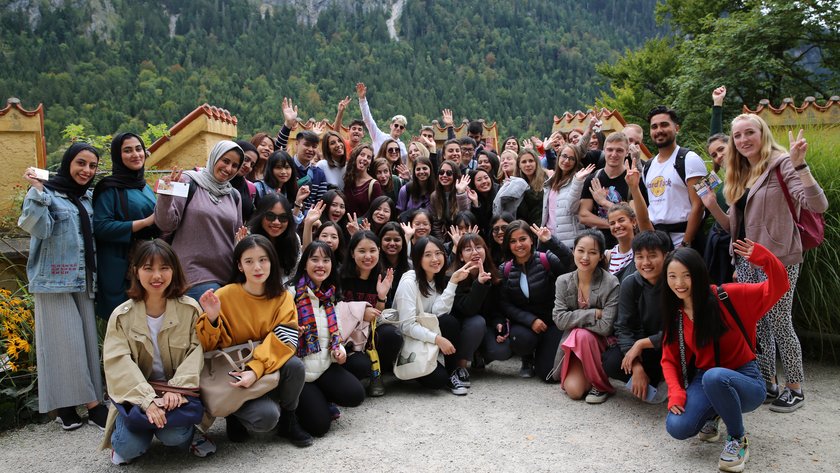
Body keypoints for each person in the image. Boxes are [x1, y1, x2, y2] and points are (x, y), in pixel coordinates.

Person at [698, 116, 828, 412]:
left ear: (763, 133)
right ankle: (768, 381)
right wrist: (712, 207)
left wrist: (800, 165)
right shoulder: (740, 170)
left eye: (750, 133)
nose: (744, 140)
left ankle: (795, 387)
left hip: (777, 259)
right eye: (738, 135)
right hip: (745, 260)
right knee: (757, 323)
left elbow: (818, 205)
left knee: (781, 322)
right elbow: (735, 226)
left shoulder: (782, 163)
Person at [661, 240, 789, 473]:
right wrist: (676, 391)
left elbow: (779, 286)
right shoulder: (676, 313)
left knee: (715, 377)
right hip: (706, 378)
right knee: (677, 427)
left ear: (698, 274)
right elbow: (669, 359)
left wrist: (764, 259)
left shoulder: (728, 296)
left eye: (686, 275)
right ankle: (718, 410)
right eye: (672, 276)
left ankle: (737, 439)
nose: (679, 283)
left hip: (745, 379)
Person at [19, 143, 108, 430]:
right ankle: (94, 406)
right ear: (68, 162)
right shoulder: (48, 193)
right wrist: (38, 192)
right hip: (53, 280)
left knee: (82, 343)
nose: (86, 170)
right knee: (65, 342)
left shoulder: (87, 198)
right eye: (81, 163)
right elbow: (37, 228)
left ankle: (66, 407)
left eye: (92, 166)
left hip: (83, 278)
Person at [195, 235, 311, 447]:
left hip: (263, 366)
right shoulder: (225, 295)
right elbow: (207, 347)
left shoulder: (283, 297)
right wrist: (211, 319)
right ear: (239, 265)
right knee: (265, 418)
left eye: (263, 260)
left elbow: (284, 339)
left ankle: (289, 419)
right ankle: (234, 413)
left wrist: (255, 369)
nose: (257, 267)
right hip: (232, 370)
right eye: (249, 261)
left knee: (295, 366)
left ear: (272, 262)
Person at [101, 239, 204, 464]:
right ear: (136, 272)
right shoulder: (121, 316)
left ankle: (185, 434)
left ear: (174, 270)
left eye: (164, 268)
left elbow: (197, 352)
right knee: (128, 447)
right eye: (149, 268)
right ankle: (137, 430)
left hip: (175, 396)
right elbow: (118, 362)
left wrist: (177, 389)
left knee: (175, 435)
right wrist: (147, 400)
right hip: (137, 397)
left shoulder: (190, 309)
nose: (157, 276)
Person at [291, 241, 368, 436]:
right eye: (314, 259)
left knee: (355, 394)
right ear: (304, 264)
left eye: (326, 260)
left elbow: (336, 337)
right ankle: (291, 411)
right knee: (319, 427)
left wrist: (339, 352)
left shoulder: (329, 296)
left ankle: (321, 397)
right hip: (300, 375)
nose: (320, 265)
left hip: (324, 366)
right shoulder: (292, 294)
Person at [154, 140, 244, 301]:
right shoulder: (188, 181)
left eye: (235, 165)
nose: (229, 168)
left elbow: (236, 236)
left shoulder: (234, 195)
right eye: (225, 161)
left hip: (226, 275)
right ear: (214, 157)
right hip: (192, 274)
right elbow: (165, 224)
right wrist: (166, 194)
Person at [392, 236, 474, 393]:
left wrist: (453, 283)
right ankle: (398, 366)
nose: (435, 259)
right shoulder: (410, 282)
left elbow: (439, 313)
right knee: (437, 380)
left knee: (449, 321)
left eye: (438, 253)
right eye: (427, 254)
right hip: (406, 340)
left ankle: (453, 373)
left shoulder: (437, 279)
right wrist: (438, 339)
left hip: (424, 334)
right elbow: (406, 326)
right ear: (417, 258)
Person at [93, 133, 159, 319]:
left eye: (138, 149)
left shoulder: (143, 186)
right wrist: (144, 223)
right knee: (123, 321)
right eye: (127, 150)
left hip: (144, 262)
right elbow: (101, 227)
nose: (135, 154)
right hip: (119, 266)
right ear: (117, 155)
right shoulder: (109, 188)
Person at [550, 230, 620, 403]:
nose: (585, 257)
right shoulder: (563, 281)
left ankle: (601, 385)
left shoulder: (610, 283)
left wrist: (573, 322)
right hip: (575, 344)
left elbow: (605, 327)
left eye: (593, 252)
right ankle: (588, 376)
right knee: (574, 391)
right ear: (573, 251)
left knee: (581, 335)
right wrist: (593, 313)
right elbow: (559, 320)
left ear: (601, 256)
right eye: (581, 250)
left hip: (602, 343)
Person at [495, 221, 572, 379]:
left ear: (531, 239)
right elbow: (504, 304)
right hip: (525, 325)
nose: (518, 245)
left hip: (551, 323)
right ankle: (527, 358)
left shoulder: (546, 259)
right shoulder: (505, 269)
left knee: (548, 375)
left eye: (522, 239)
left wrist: (551, 241)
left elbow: (571, 264)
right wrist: (530, 320)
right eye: (513, 241)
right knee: (522, 339)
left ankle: (543, 354)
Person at [602, 231, 672, 403]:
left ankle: (671, 380)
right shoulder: (630, 283)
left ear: (666, 255)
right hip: (645, 351)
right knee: (611, 361)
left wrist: (642, 344)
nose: (646, 263)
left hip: (671, 345)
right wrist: (635, 365)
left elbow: (681, 329)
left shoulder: (675, 283)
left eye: (653, 256)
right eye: (640, 257)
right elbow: (623, 326)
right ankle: (651, 382)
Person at [340, 231, 401, 396]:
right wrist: (360, 312)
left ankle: (377, 374)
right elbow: (333, 309)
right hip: (346, 338)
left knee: (392, 335)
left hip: (369, 336)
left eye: (372, 250)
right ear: (352, 253)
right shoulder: (340, 276)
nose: (368, 256)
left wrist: (381, 297)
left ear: (379, 251)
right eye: (362, 251)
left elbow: (378, 315)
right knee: (361, 366)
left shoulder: (382, 277)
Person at [643, 105, 707, 249]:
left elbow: (699, 205)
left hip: (687, 241)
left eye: (664, 125)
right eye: (654, 127)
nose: (659, 130)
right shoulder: (648, 167)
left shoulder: (689, 159)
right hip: (658, 243)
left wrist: (686, 243)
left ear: (676, 128)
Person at [449, 233, 495, 388]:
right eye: (468, 249)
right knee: (476, 322)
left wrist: (500, 322)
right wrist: (479, 285)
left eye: (478, 247)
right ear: (461, 256)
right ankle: (460, 367)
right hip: (461, 329)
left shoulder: (494, 273)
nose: (475, 252)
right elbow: (467, 310)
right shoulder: (453, 276)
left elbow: (499, 306)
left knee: (500, 350)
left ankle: (478, 353)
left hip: (486, 328)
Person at [541, 143, 594, 248]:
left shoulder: (578, 180)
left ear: (576, 162)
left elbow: (571, 208)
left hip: (569, 242)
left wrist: (578, 182)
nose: (566, 161)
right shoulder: (550, 182)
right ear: (558, 156)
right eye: (564, 156)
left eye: (572, 159)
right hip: (550, 239)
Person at [246, 193, 302, 282]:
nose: (276, 222)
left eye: (283, 217)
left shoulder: (294, 239)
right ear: (261, 215)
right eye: (270, 216)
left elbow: (292, 273)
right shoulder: (247, 237)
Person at [357, 82, 407, 160]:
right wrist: (362, 100)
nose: (398, 128)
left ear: (403, 130)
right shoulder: (379, 136)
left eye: (401, 127)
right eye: (396, 125)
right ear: (391, 125)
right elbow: (368, 119)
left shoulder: (402, 147)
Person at [430, 160, 470, 241]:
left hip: (463, 235)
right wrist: (442, 243)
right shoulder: (434, 196)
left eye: (449, 173)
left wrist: (460, 193)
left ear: (455, 176)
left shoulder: (464, 192)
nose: (444, 175)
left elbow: (465, 217)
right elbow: (436, 224)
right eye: (441, 172)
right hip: (445, 238)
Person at [343, 144, 383, 217]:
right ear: (355, 157)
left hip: (362, 227)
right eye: (362, 155)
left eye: (368, 157)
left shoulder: (374, 185)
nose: (365, 158)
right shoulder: (348, 178)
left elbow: (375, 212)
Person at [378, 222, 411, 305]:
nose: (392, 243)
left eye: (396, 240)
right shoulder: (373, 266)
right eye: (387, 239)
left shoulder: (411, 267)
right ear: (380, 241)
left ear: (403, 242)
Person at [514, 149, 546, 225]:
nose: (528, 164)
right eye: (524, 162)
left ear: (536, 163)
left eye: (531, 161)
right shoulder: (515, 184)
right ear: (519, 165)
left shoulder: (546, 180)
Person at [466, 168, 498, 238]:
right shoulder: (470, 198)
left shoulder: (499, 192)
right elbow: (480, 224)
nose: (484, 181)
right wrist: (476, 203)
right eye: (479, 180)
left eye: (486, 178)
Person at [232, 140, 258, 222]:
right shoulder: (204, 180)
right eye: (246, 159)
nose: (248, 166)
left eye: (252, 164)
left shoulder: (251, 188)